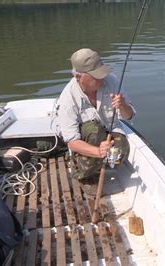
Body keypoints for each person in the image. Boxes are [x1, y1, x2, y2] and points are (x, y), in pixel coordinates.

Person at [54, 48, 135, 199]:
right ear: (79, 77)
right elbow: (72, 141)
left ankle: (99, 165)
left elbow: (129, 116)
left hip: (109, 129)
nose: (102, 78)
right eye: (96, 76)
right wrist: (99, 152)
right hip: (87, 136)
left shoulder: (112, 81)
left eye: (102, 73)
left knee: (122, 149)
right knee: (94, 132)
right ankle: (85, 175)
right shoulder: (68, 99)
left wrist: (123, 105)